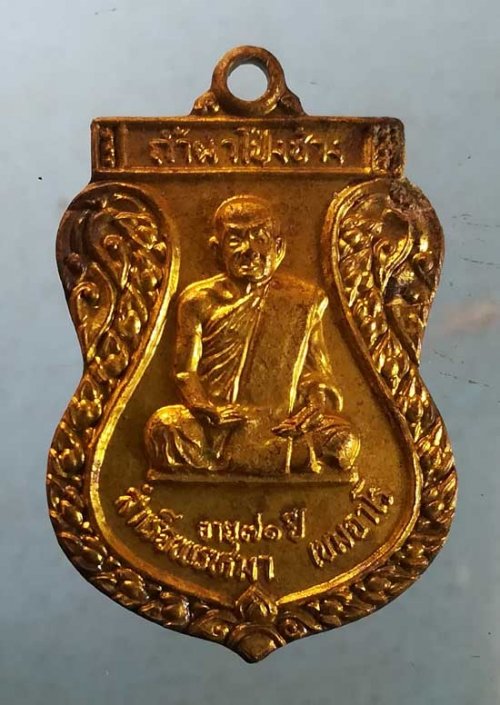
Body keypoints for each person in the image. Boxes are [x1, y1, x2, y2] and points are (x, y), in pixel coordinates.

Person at [145, 195, 360, 478]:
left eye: (260, 238)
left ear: (279, 248)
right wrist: (206, 408)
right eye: (236, 240)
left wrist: (313, 406)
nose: (250, 251)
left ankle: (243, 458)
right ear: (217, 249)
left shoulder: (303, 300)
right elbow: (185, 371)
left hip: (281, 422)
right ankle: (266, 457)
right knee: (164, 427)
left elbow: (316, 373)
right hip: (221, 424)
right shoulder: (198, 300)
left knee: (344, 440)